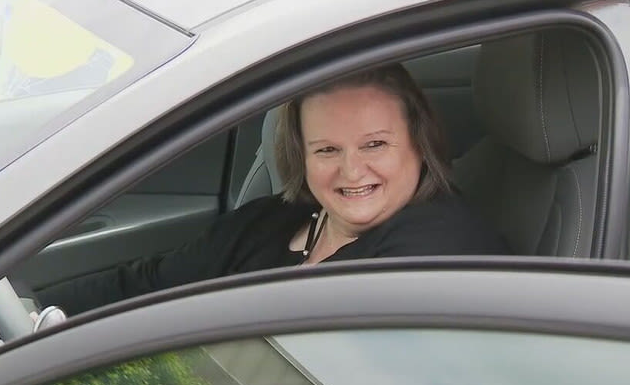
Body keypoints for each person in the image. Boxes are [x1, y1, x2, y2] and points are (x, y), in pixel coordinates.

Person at [36, 64, 508, 315]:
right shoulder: (270, 222)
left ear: (419, 145)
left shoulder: (443, 249)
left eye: (375, 144)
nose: (351, 170)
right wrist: (31, 312)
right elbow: (152, 281)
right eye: (326, 150)